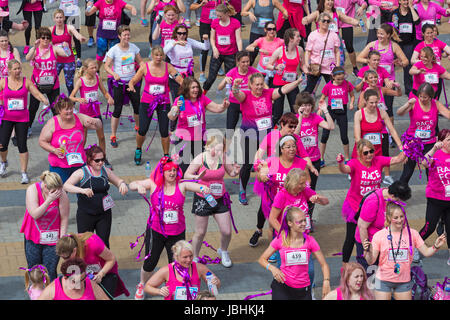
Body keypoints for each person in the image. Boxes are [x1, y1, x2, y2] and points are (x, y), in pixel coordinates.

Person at [128, 156, 209, 300]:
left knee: (176, 263)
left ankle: (176, 288)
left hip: (177, 233)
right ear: (162, 172)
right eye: (168, 170)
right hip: (156, 231)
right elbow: (132, 184)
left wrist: (204, 189)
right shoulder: (154, 184)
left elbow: (197, 186)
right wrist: (138, 186)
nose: (172, 173)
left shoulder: (182, 185)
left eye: (174, 170)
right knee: (150, 262)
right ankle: (141, 284)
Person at [230, 72, 304, 206]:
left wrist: (298, 82)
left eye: (261, 84)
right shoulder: (246, 95)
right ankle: (242, 190)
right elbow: (237, 94)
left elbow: (283, 89)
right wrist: (235, 86)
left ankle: (273, 189)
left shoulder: (268, 93)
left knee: (273, 163)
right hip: (250, 135)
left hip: (268, 136)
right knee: (247, 165)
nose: (259, 87)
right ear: (250, 85)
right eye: (256, 85)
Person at [337, 138, 406, 268]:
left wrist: (407, 147)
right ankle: (345, 266)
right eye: (365, 153)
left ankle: (373, 262)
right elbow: (344, 169)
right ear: (359, 154)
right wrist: (340, 162)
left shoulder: (378, 161)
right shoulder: (355, 163)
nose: (369, 155)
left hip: (374, 206)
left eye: (371, 151)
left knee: (373, 233)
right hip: (355, 207)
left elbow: (397, 159)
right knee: (351, 238)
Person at [363, 201, 447, 300]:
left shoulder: (413, 234)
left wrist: (436, 246)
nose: (400, 220)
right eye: (396, 218)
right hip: (383, 281)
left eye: (402, 216)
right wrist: (367, 251)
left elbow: (426, 252)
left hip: (403, 281)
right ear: (389, 218)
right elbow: (371, 261)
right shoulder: (379, 235)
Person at [184, 135, 240, 268]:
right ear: (208, 147)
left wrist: (236, 171)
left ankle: (223, 251)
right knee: (200, 232)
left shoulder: (223, 157)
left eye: (222, 150)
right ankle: (195, 257)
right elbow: (186, 175)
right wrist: (196, 177)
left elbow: (231, 173)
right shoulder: (200, 158)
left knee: (226, 231)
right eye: (217, 150)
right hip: (203, 199)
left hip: (220, 198)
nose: (219, 153)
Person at [258, 206, 331, 300]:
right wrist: (273, 269)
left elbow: (324, 264)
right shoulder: (280, 240)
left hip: (303, 289)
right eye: (300, 221)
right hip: (282, 287)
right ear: (290, 223)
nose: (304, 224)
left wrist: (326, 281)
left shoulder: (310, 241)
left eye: (305, 220)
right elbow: (262, 259)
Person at [63, 145, 128, 248]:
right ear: (89, 160)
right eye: (97, 160)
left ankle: (104, 263)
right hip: (86, 214)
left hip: (104, 214)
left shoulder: (105, 170)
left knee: (103, 244)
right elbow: (66, 186)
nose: (101, 163)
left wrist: (122, 184)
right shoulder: (81, 172)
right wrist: (82, 190)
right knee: (84, 245)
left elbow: (119, 181)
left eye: (103, 159)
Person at [251, 134, 310, 246]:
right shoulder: (272, 162)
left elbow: (308, 182)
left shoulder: (301, 163)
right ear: (281, 149)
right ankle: (274, 248)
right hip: (275, 201)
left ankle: (296, 248)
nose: (292, 149)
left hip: (294, 202)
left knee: (295, 226)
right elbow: (260, 175)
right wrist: (262, 176)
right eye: (288, 147)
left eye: (294, 146)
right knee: (273, 226)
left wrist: (302, 188)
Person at [127, 46, 183, 164]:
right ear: (152, 55)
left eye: (160, 55)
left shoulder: (168, 67)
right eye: (156, 55)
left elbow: (179, 79)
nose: (158, 57)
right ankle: (138, 149)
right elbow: (133, 80)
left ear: (163, 56)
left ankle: (166, 155)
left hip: (163, 102)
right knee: (143, 129)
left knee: (164, 130)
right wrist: (131, 85)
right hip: (147, 101)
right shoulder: (145, 67)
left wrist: (186, 85)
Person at [0, 59, 49, 183]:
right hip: (6, 118)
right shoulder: (3, 82)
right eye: (15, 69)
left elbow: (36, 93)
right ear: (9, 70)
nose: (18, 71)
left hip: (22, 119)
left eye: (19, 68)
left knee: (22, 145)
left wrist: (44, 99)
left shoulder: (26, 82)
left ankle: (24, 173)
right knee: (2, 145)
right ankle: (4, 162)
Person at [168, 76, 230, 173]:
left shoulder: (202, 99)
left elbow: (217, 108)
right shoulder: (180, 100)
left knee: (201, 168)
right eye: (193, 87)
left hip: (199, 139)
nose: (196, 90)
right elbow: (171, 117)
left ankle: (199, 187)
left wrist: (223, 106)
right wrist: (176, 109)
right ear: (186, 88)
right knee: (184, 169)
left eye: (197, 87)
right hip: (184, 141)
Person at [38, 97, 103, 183]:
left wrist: (95, 122)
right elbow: (42, 141)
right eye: (66, 109)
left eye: (71, 108)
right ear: (59, 110)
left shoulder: (79, 118)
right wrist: (54, 150)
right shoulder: (52, 123)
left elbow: (98, 125)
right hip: (59, 165)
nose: (69, 111)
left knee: (83, 192)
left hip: (79, 163)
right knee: (60, 192)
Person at [20, 171, 70, 281]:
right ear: (45, 186)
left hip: (53, 239)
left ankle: (50, 295)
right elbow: (35, 214)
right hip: (33, 237)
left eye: (59, 190)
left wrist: (62, 239)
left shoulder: (61, 194)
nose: (57, 193)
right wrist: (49, 200)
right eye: (53, 191)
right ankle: (35, 295)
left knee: (50, 271)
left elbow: (64, 217)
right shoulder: (32, 190)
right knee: (34, 270)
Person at [397, 83, 450, 184]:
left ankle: (432, 193)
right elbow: (399, 113)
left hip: (429, 143)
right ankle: (398, 194)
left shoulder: (436, 104)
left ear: (430, 96)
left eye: (425, 97)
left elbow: (448, 115)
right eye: (420, 96)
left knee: (430, 171)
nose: (422, 99)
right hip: (413, 142)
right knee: (407, 172)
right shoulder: (414, 103)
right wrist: (407, 104)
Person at [357, 69, 402, 185]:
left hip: (381, 128)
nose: (373, 80)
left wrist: (398, 87)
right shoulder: (364, 93)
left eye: (375, 77)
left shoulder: (381, 90)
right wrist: (367, 100)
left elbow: (398, 94)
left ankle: (386, 175)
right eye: (370, 78)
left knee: (384, 153)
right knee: (367, 156)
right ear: (366, 80)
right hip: (368, 129)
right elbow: (360, 108)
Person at [293, 93, 334, 220]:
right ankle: (298, 216)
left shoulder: (315, 117)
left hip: (315, 160)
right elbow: (295, 135)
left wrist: (326, 110)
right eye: (304, 105)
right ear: (299, 106)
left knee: (311, 190)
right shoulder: (294, 119)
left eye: (309, 105)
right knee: (298, 189)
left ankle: (308, 218)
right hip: (300, 162)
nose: (307, 108)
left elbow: (331, 126)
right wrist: (300, 118)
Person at [356, 180, 412, 270]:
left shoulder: (390, 196)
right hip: (369, 241)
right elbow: (362, 226)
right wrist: (367, 249)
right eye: (398, 200)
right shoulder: (373, 202)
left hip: (384, 241)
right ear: (393, 196)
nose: (399, 203)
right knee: (370, 272)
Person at [69, 58, 114, 168]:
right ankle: (80, 159)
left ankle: (103, 158)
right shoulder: (81, 81)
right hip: (84, 115)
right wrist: (78, 99)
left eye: (96, 67)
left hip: (96, 112)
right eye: (92, 68)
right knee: (83, 139)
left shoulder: (97, 78)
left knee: (102, 137)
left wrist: (109, 98)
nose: (95, 69)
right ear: (85, 69)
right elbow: (71, 96)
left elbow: (104, 92)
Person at [104, 24, 143, 149]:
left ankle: (138, 127)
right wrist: (114, 73)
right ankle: (113, 135)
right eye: (125, 35)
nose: (127, 37)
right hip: (119, 83)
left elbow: (141, 62)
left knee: (137, 107)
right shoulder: (114, 49)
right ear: (119, 36)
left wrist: (142, 71)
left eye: (128, 34)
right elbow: (106, 66)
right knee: (117, 109)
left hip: (132, 82)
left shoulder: (134, 48)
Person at [55, 232, 130, 298]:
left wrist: (100, 274)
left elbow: (112, 259)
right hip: (89, 275)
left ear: (74, 250)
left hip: (106, 273)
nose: (65, 260)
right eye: (62, 257)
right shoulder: (68, 246)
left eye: (66, 257)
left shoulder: (94, 244)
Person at [25, 27, 71, 132]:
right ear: (39, 39)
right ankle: (28, 127)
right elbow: (27, 58)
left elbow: (67, 54)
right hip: (37, 84)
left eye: (48, 38)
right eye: (43, 37)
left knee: (56, 107)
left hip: (53, 84)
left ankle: (59, 127)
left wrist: (67, 47)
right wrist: (34, 47)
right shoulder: (35, 50)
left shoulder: (54, 48)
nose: (45, 40)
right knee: (33, 108)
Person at [144, 240, 221, 300]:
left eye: (191, 256)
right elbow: (147, 287)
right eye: (185, 257)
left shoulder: (199, 268)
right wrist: (159, 291)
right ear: (176, 256)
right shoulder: (167, 270)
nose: (189, 260)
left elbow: (216, 285)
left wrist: (215, 283)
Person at [302, 0, 362, 75]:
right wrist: (305, 20)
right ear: (323, 1)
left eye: (332, 0)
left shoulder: (337, 12)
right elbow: (308, 19)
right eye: (328, 0)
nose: (330, 2)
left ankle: (335, 82)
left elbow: (348, 19)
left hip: (334, 44)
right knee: (317, 70)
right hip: (320, 43)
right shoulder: (318, 13)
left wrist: (357, 22)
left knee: (338, 65)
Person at [419, 129, 450, 265]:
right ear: (441, 142)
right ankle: (414, 247)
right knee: (429, 226)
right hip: (435, 198)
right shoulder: (435, 155)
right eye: (448, 140)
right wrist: (433, 149)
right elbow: (423, 163)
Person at [266, 28, 307, 127]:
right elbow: (268, 65)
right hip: (278, 84)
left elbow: (303, 65)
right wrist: (276, 67)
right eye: (297, 36)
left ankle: (295, 131)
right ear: (291, 38)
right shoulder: (280, 51)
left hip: (292, 84)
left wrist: (307, 71)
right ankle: (269, 131)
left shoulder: (300, 50)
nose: (300, 38)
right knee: (277, 113)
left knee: (295, 110)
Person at [318, 66, 354, 167]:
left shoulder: (347, 84)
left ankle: (347, 158)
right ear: (333, 77)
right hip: (330, 112)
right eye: (338, 79)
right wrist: (320, 108)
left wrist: (351, 103)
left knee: (344, 137)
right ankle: (321, 158)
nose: (340, 81)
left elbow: (352, 95)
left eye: (342, 79)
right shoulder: (328, 86)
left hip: (342, 112)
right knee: (325, 135)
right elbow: (322, 98)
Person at [202, 4, 242, 94]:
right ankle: (203, 92)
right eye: (217, 16)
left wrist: (240, 53)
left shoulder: (235, 23)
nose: (218, 17)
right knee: (211, 76)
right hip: (218, 53)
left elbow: (238, 39)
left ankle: (231, 94)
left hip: (231, 53)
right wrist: (214, 48)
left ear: (227, 13)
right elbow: (212, 38)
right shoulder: (215, 22)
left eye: (220, 16)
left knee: (230, 76)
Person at [85, 0, 137, 71]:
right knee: (100, 55)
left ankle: (112, 74)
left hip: (115, 35)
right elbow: (88, 13)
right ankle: (97, 71)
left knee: (114, 55)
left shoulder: (118, 2)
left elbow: (130, 6)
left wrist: (133, 9)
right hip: (102, 34)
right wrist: (88, 7)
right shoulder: (100, 2)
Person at [352, 89, 403, 159]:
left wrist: (401, 148)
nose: (374, 105)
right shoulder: (359, 114)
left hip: (377, 151)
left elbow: (392, 131)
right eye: (371, 103)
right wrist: (364, 151)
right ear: (365, 101)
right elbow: (357, 137)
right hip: (363, 151)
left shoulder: (382, 113)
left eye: (376, 102)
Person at [164, 24, 210, 101]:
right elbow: (163, 52)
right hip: (176, 74)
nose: (182, 35)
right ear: (175, 33)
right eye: (179, 33)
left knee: (190, 98)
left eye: (184, 33)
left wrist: (206, 40)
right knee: (178, 99)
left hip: (189, 74)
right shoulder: (171, 42)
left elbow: (205, 47)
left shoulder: (189, 41)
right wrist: (175, 43)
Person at [218, 51, 259, 134]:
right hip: (234, 104)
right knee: (230, 130)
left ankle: (249, 145)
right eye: (243, 62)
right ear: (238, 62)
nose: (246, 64)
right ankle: (225, 146)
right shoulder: (232, 72)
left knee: (250, 129)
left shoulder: (254, 72)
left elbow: (263, 85)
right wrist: (225, 81)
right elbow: (219, 88)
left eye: (247, 61)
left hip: (248, 104)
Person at [51, 9, 87, 95]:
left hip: (69, 60)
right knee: (52, 82)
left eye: (61, 17)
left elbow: (76, 34)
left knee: (69, 84)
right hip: (56, 61)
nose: (59, 19)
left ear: (64, 18)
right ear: (54, 19)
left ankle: (72, 103)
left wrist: (80, 37)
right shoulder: (51, 29)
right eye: (57, 17)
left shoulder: (69, 27)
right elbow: (45, 41)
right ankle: (53, 102)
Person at [303, 13, 341, 94]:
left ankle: (333, 106)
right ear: (318, 22)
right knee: (309, 89)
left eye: (328, 21)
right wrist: (307, 64)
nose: (326, 23)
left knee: (333, 89)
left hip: (330, 67)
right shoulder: (313, 35)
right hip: (316, 66)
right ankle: (302, 105)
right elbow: (308, 51)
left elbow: (337, 51)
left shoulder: (334, 35)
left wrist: (337, 65)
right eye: (324, 20)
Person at [38, 257, 110, 300]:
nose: (80, 285)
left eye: (82, 279)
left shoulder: (91, 285)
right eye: (74, 282)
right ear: (65, 277)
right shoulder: (53, 289)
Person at [241, 0, 287, 66]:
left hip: (270, 32)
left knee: (271, 51)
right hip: (256, 30)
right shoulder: (253, 1)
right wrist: (249, 13)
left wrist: (285, 15)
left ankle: (271, 69)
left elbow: (284, 10)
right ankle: (248, 69)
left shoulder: (273, 1)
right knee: (252, 54)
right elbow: (242, 12)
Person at [391, 0, 420, 95]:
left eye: (408, 0)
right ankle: (391, 86)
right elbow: (391, 28)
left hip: (409, 43)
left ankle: (409, 89)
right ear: (399, 1)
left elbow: (417, 21)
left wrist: (411, 8)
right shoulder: (395, 13)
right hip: (397, 43)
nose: (406, 2)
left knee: (407, 66)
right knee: (392, 64)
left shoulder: (413, 11)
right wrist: (396, 39)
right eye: (404, 0)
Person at [245, 21, 284, 86]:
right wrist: (259, 49)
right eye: (269, 29)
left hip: (274, 70)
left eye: (274, 29)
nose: (272, 31)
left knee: (272, 91)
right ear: (265, 30)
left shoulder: (279, 41)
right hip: (262, 70)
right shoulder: (261, 40)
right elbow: (248, 48)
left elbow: (289, 45)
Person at [189, 0, 220, 82]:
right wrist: (200, 5)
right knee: (205, 48)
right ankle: (202, 73)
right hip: (205, 24)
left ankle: (217, 66)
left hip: (217, 23)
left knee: (217, 45)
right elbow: (192, 6)